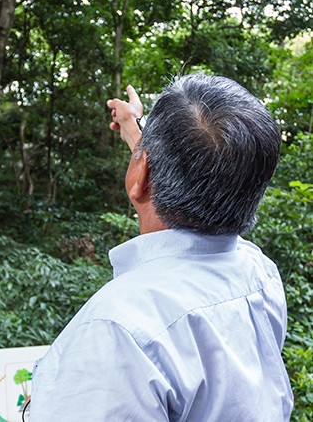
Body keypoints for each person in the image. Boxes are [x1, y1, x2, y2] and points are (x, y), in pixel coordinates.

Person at [28, 74, 293, 420]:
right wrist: (136, 136)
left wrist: (146, 156)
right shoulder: (259, 274)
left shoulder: (118, 333)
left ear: (142, 172)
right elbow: (207, 173)